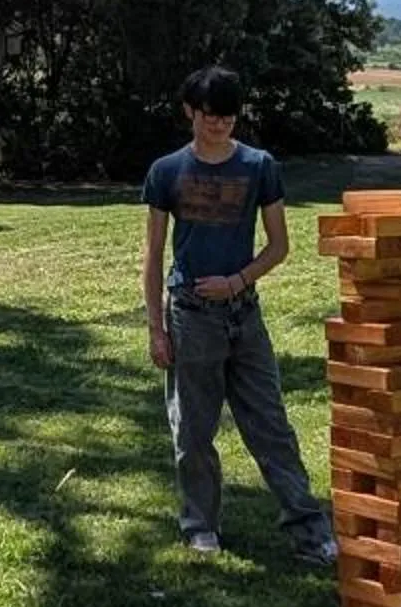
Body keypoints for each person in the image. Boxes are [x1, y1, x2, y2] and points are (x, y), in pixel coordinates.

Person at [141, 64, 336, 565]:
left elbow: (279, 246)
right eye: (210, 116)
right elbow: (153, 255)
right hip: (190, 315)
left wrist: (237, 281)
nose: (220, 126)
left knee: (271, 425)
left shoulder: (258, 166)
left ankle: (309, 529)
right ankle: (200, 526)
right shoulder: (166, 172)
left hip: (243, 314)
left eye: (228, 117)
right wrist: (156, 331)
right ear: (190, 112)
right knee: (193, 430)